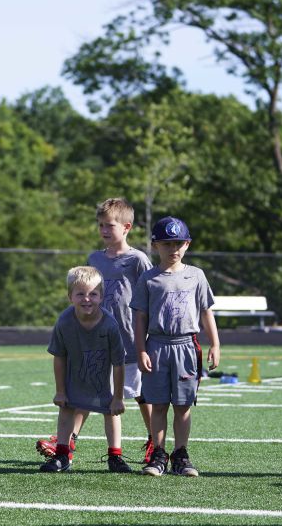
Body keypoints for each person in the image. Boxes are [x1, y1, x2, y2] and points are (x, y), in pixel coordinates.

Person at [35, 198, 152, 472]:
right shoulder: (95, 259)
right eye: (100, 225)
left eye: (109, 225)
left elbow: (149, 295)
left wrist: (146, 336)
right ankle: (68, 442)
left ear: (126, 227)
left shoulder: (137, 260)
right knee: (87, 389)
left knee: (139, 394)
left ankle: (154, 442)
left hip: (128, 339)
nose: (103, 230)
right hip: (94, 339)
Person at [131, 216, 220, 477]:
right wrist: (141, 350)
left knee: (182, 405)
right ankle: (158, 454)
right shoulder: (149, 278)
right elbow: (140, 318)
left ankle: (181, 454)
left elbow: (206, 312)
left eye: (179, 243)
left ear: (187, 244)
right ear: (156, 245)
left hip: (186, 346)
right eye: (167, 244)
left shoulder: (196, 276)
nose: (174, 249)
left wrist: (215, 343)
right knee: (158, 404)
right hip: (157, 345)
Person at [39, 266, 127, 472]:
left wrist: (118, 397)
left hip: (101, 379)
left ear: (102, 296)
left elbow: (118, 363)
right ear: (70, 296)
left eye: (93, 294)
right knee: (66, 410)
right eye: (80, 294)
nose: (87, 299)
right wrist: (60, 390)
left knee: (111, 413)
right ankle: (62, 455)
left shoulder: (110, 325)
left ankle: (115, 456)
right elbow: (59, 357)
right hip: (74, 377)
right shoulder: (64, 322)